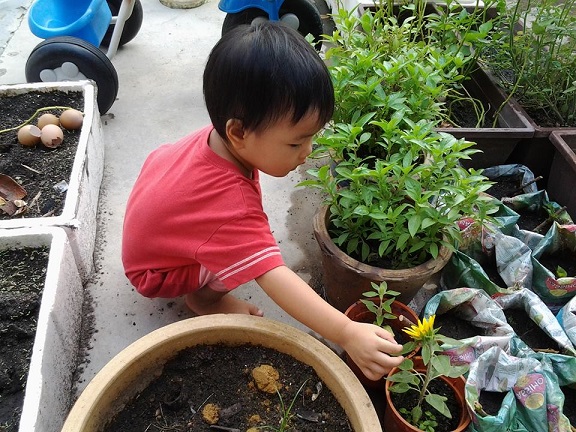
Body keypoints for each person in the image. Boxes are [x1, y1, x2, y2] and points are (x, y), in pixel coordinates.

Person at [122, 22, 404, 380]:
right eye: (295, 143)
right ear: (238, 132)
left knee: (239, 241)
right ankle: (204, 300)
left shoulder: (215, 141)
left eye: (311, 139)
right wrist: (346, 332)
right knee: (247, 253)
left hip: (153, 229)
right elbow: (273, 275)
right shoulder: (228, 207)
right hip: (156, 273)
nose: (307, 153)